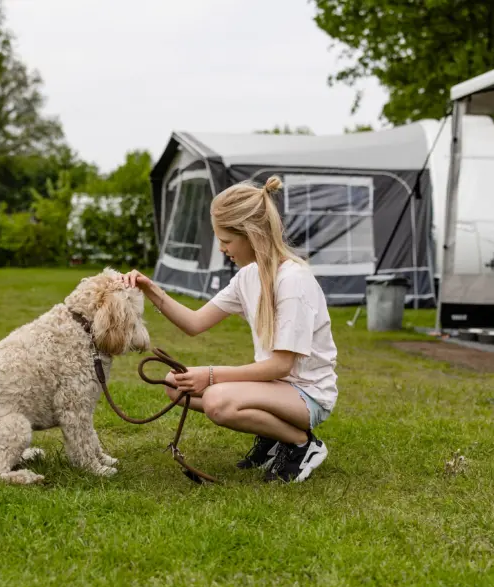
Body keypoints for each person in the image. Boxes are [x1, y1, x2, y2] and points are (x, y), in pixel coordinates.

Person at [121, 175, 338, 483]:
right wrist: (150, 288)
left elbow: (281, 365)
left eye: (225, 240)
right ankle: (273, 436)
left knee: (217, 401)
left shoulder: (293, 281)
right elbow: (195, 323)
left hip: (307, 395)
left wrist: (209, 375)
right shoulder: (248, 277)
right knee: (173, 385)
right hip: (276, 389)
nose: (221, 248)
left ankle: (302, 445)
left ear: (251, 235)